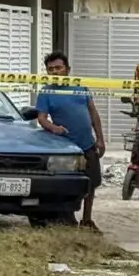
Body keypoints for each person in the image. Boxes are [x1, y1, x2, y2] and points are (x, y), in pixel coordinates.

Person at [36, 51, 105, 231]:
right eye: (51, 69)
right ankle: (69, 219)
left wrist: (100, 139)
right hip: (66, 148)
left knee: (91, 183)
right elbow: (41, 118)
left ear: (68, 69)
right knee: (69, 184)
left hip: (87, 144)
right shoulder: (46, 92)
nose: (55, 72)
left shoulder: (80, 87)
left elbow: (93, 114)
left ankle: (87, 220)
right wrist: (54, 128)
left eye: (59, 68)